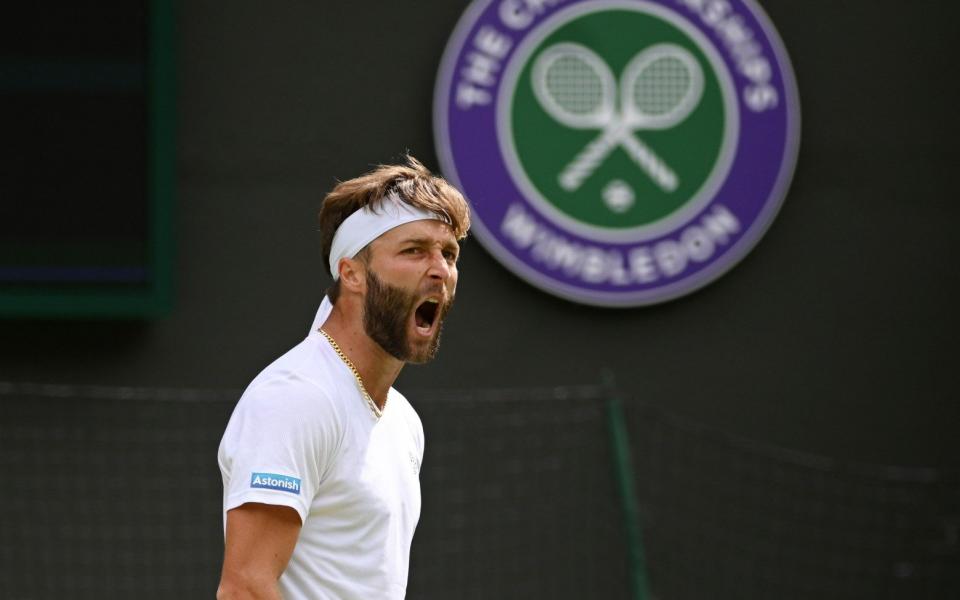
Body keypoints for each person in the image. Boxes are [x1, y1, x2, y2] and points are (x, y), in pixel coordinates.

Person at [216, 156, 471, 599]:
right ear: (351, 273)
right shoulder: (298, 397)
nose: (440, 270)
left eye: (448, 253)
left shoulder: (403, 421)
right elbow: (244, 588)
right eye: (414, 250)